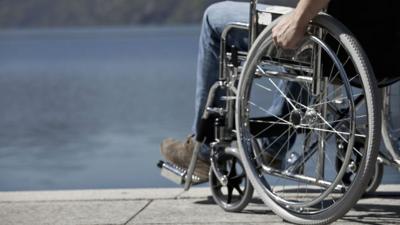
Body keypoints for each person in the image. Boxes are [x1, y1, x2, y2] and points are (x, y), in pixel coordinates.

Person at [160, 0, 399, 181]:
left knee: (214, 18)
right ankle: (274, 145)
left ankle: (201, 151)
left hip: (336, 45)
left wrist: (298, 19)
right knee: (307, 42)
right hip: (383, 58)